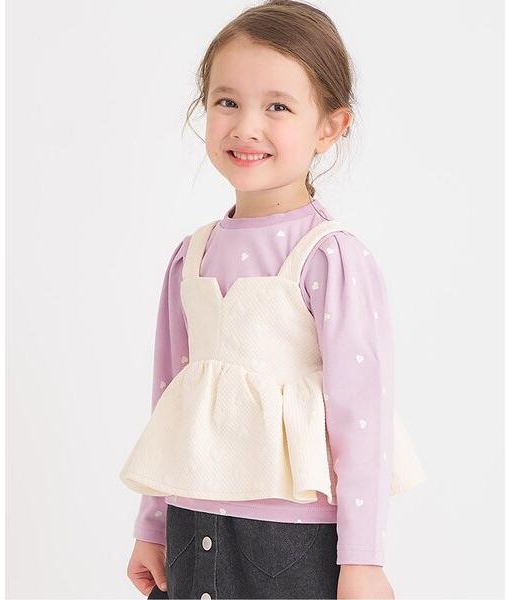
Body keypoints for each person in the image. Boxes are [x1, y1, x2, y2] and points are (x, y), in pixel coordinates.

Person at [120, 1, 426, 598]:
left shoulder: (330, 257)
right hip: (190, 524)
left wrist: (362, 560)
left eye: (278, 107)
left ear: (330, 127)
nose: (246, 127)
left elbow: (361, 415)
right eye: (226, 102)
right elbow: (170, 400)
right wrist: (151, 524)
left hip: (292, 538)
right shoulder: (191, 255)